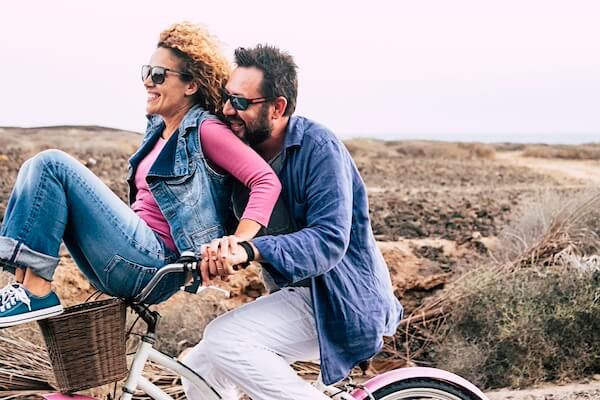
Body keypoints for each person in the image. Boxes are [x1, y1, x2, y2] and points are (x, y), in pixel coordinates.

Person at [0, 23, 281, 327]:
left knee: (51, 164)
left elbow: (265, 181)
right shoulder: (157, 130)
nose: (148, 81)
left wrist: (236, 243)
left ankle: (37, 292)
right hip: (132, 256)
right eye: (146, 72)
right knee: (33, 168)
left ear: (190, 86)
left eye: (159, 75)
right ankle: (23, 287)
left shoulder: (205, 130)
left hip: (156, 263)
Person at [182, 45, 403, 400]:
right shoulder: (242, 154)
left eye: (240, 103)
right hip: (295, 297)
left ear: (278, 106)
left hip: (338, 299)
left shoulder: (319, 147)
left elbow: (328, 241)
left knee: (226, 338)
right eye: (226, 98)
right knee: (199, 369)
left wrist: (251, 249)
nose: (227, 111)